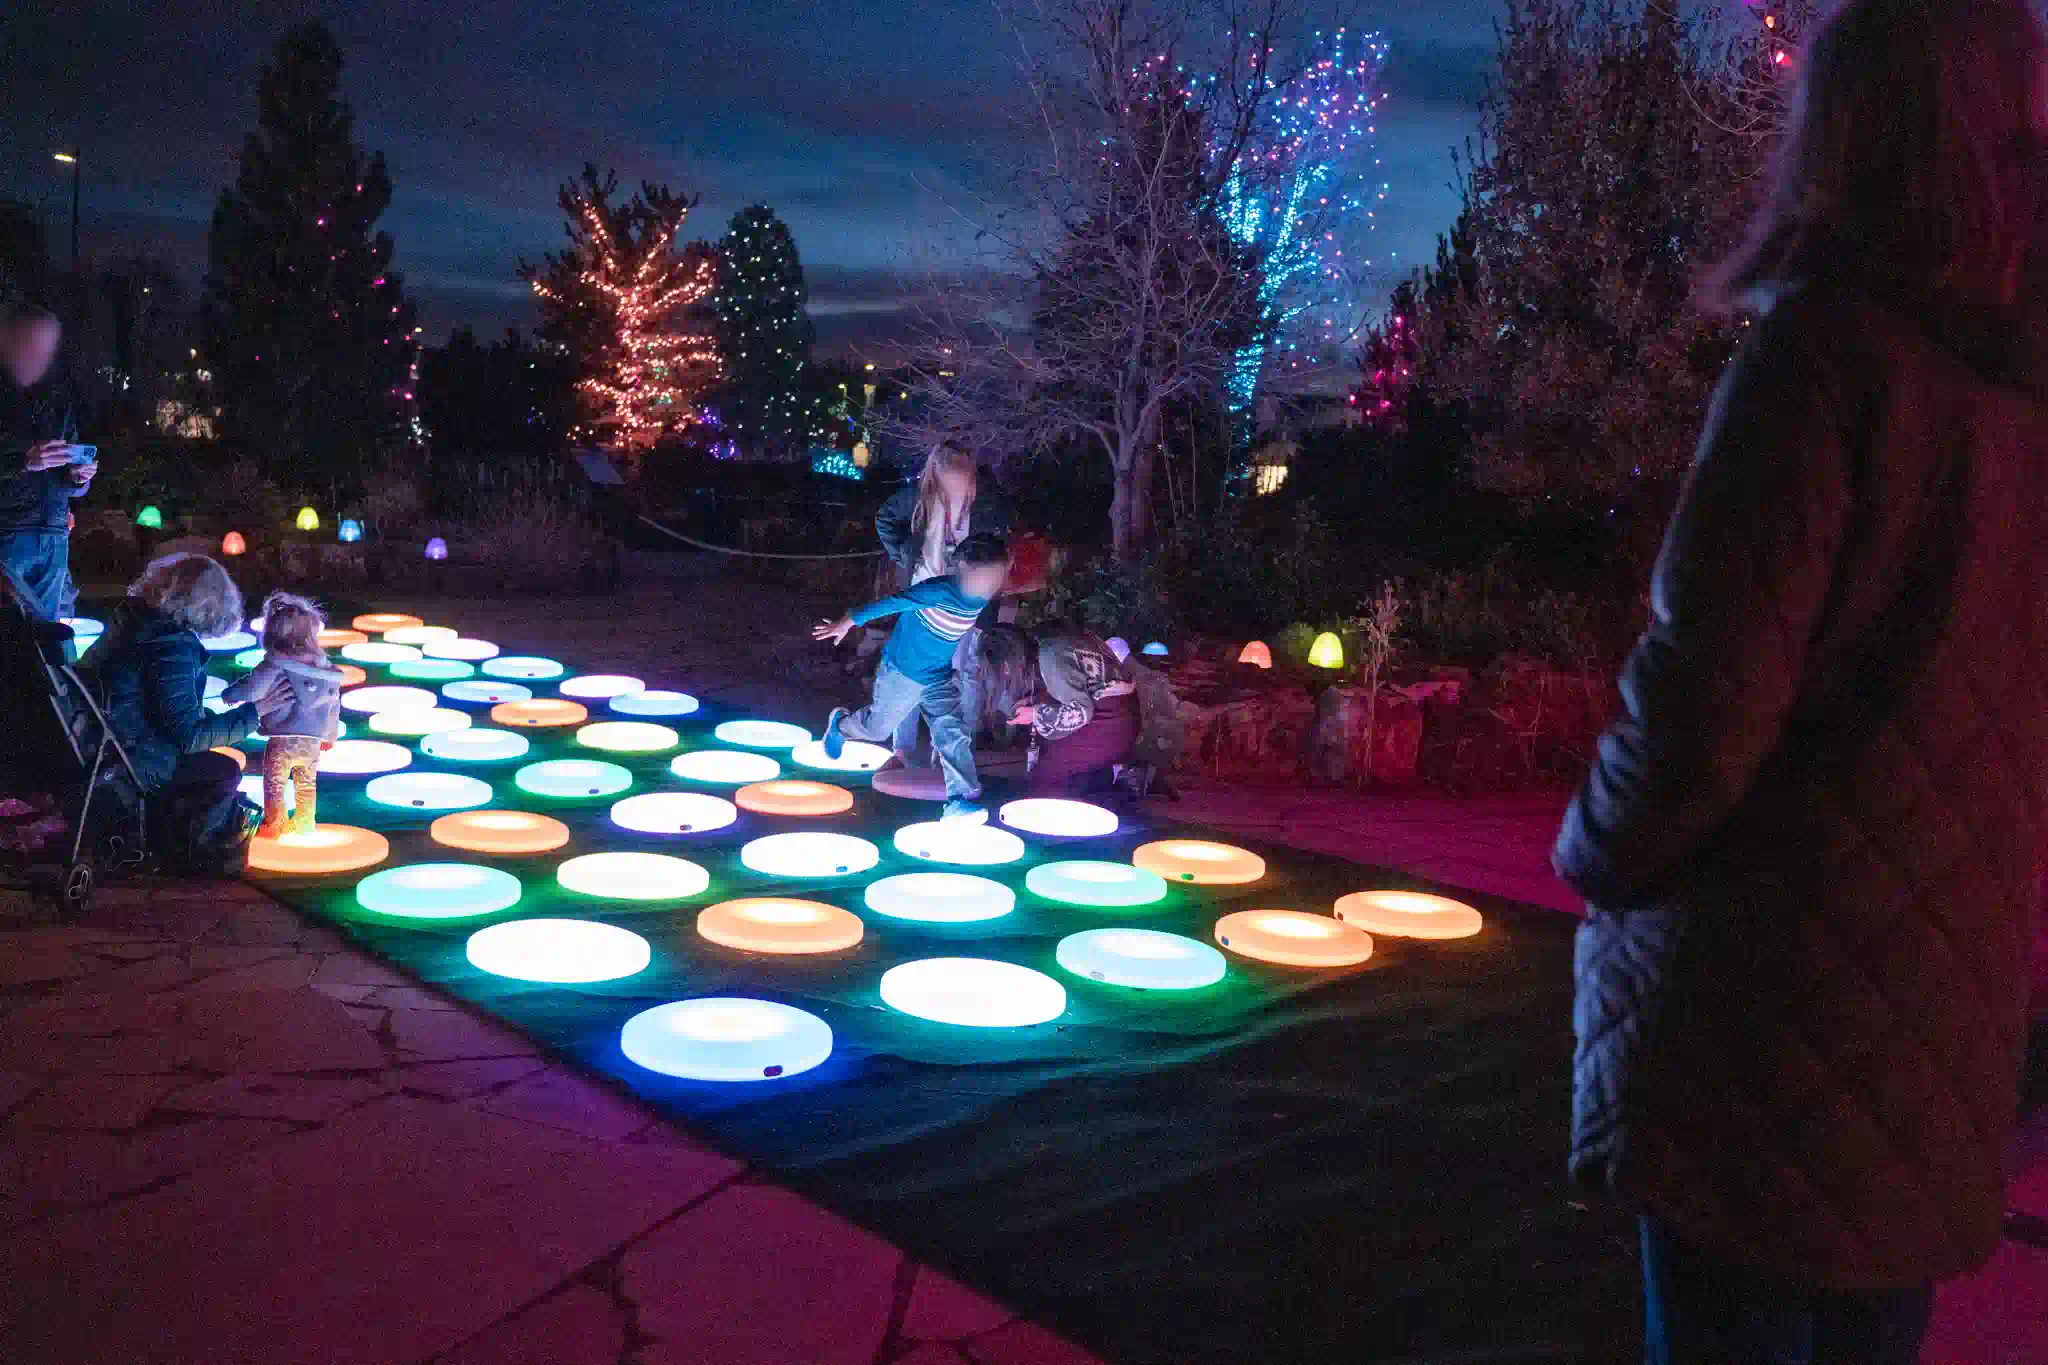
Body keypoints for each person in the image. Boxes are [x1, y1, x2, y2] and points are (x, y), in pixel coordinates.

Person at [1552, 3, 2048, 1362]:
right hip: (1939, 1043)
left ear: (1847, 126)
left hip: (1765, 1031)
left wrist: (1598, 845)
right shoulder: (2018, 396)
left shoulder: (1826, 364)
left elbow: (1703, 704)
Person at [84, 554, 279, 871]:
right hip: (133, 760)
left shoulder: (133, 620)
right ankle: (188, 850)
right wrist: (254, 714)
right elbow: (187, 736)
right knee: (224, 770)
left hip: (108, 743)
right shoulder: (170, 644)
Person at [814, 531, 1010, 822]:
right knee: (877, 729)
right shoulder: (938, 591)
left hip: (938, 676)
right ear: (965, 569)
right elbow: (893, 602)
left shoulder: (980, 597)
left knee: (952, 732)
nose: (989, 588)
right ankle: (841, 726)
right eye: (985, 580)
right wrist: (848, 621)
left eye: (995, 581)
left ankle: (958, 799)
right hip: (902, 673)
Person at [874, 441, 1011, 764]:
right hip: (926, 595)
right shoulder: (919, 497)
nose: (956, 486)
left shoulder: (986, 501)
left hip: (969, 600)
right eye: (950, 477)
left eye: (961, 477)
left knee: (962, 671)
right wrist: (904, 554)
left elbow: (1002, 541)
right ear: (937, 472)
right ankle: (901, 747)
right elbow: (885, 519)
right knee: (910, 668)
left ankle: (950, 748)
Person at [223, 592, 345, 837]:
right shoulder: (327, 672)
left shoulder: (276, 662)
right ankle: (304, 824)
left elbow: (254, 686)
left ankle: (275, 824)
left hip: (283, 739)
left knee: (275, 784)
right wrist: (329, 735)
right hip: (312, 741)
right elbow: (334, 706)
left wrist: (231, 695)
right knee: (306, 784)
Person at [0, 302, 94, 621]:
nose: (38, 358)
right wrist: (23, 463)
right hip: (8, 533)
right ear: (6, 339)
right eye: (30, 346)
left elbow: (70, 478)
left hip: (52, 533)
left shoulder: (57, 402)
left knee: (45, 636)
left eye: (46, 349)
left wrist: (78, 477)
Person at [975, 624, 1139, 798]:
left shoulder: (1050, 656)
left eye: (1003, 669)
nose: (1006, 673)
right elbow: (1072, 686)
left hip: (1113, 723)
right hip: (1117, 713)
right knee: (1055, 759)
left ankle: (1110, 788)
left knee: (1047, 777)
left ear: (1008, 661)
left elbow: (1081, 711)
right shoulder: (1047, 646)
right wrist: (1033, 702)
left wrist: (1035, 714)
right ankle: (1108, 778)